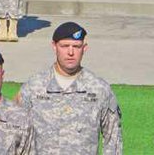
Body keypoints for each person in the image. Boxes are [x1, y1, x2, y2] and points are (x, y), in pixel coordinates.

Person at [17, 22, 123, 154]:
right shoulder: (33, 88)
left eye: (76, 46)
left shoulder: (99, 89)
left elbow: (113, 140)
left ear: (84, 48)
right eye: (65, 46)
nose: (71, 52)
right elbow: (17, 137)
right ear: (54, 47)